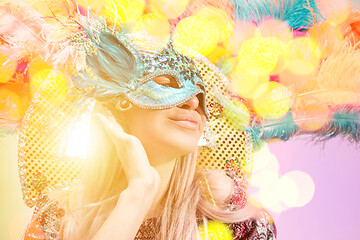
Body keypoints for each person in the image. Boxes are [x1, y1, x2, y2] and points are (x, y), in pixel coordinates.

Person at [21, 15, 277, 240]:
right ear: (116, 109)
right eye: (166, 83)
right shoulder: (58, 216)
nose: (192, 102)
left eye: (201, 96)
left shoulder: (232, 218)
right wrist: (138, 193)